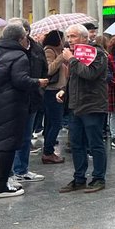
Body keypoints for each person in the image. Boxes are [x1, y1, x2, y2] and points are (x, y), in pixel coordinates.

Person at [0, 22, 47, 199]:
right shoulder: (19, 55)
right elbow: (20, 81)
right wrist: (38, 82)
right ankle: (2, 186)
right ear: (21, 38)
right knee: (7, 145)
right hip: (10, 106)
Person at [57, 24, 109, 193]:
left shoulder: (98, 53)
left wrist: (71, 59)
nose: (69, 40)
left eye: (73, 36)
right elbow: (74, 78)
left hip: (93, 104)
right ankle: (79, 177)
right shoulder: (75, 54)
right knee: (76, 144)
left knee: (95, 144)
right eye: (68, 37)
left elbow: (90, 74)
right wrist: (64, 91)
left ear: (85, 38)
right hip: (75, 105)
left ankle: (98, 178)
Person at [10, 20, 48, 184]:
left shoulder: (37, 48)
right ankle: (9, 172)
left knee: (26, 137)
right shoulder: (8, 49)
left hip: (32, 97)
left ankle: (21, 169)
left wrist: (39, 88)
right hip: (12, 100)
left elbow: (44, 69)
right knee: (12, 137)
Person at [41, 30, 67, 165]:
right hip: (51, 90)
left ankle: (48, 148)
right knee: (56, 122)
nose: (65, 40)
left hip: (60, 89)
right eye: (63, 38)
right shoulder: (49, 50)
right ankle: (48, 151)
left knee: (52, 122)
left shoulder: (61, 50)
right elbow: (49, 69)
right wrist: (61, 57)